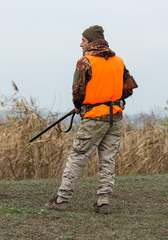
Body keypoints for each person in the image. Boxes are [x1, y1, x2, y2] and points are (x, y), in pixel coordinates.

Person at [44, 25, 135, 214]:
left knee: (78, 157)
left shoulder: (85, 62)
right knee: (108, 160)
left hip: (93, 118)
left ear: (91, 42)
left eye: (83, 40)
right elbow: (128, 89)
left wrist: (80, 107)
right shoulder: (119, 61)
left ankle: (62, 199)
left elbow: (77, 92)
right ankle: (103, 201)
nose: (80, 44)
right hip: (115, 117)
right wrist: (113, 100)